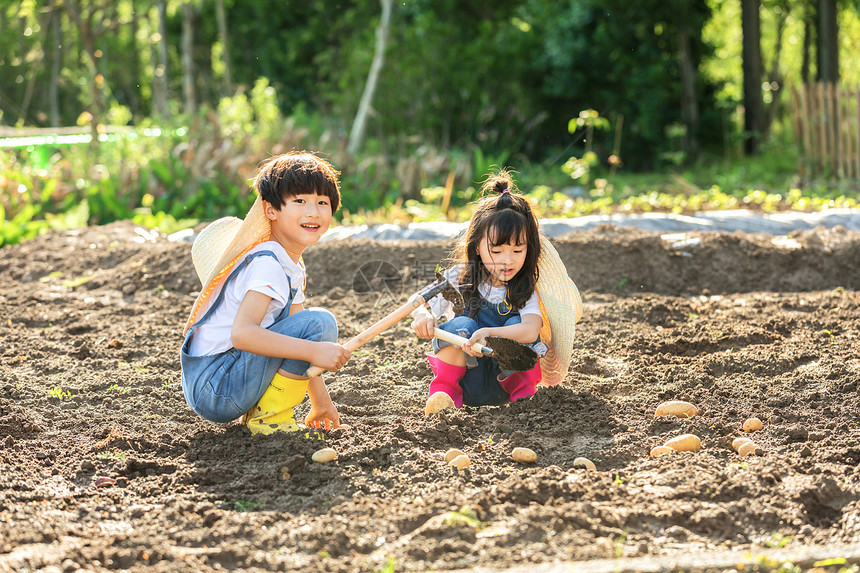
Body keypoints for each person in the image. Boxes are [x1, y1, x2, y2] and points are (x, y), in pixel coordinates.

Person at [180, 151, 350, 435]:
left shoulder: (289, 264)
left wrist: (321, 401)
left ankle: (268, 414)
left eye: (322, 202)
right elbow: (242, 334)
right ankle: (268, 420)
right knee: (320, 323)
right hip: (216, 386)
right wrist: (313, 350)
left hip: (217, 380)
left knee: (313, 325)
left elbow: (302, 330)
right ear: (270, 210)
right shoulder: (267, 264)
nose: (313, 212)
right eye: (300, 201)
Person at [411, 169, 582, 413]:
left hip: (506, 384)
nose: (507, 260)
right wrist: (422, 317)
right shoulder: (460, 278)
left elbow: (530, 328)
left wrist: (490, 333)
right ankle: (445, 397)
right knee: (462, 326)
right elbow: (417, 301)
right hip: (469, 378)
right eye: (497, 250)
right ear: (477, 246)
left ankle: (523, 402)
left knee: (515, 324)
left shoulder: (524, 288)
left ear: (528, 249)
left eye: (517, 250)